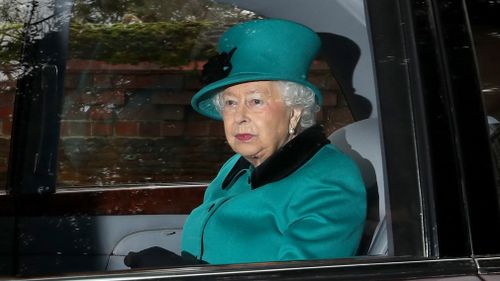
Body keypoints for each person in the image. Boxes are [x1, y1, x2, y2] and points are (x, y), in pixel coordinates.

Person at [125, 18, 366, 268]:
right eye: (230, 103)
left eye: (256, 101)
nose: (239, 117)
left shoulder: (329, 180)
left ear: (294, 111)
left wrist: (177, 273)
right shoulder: (235, 166)